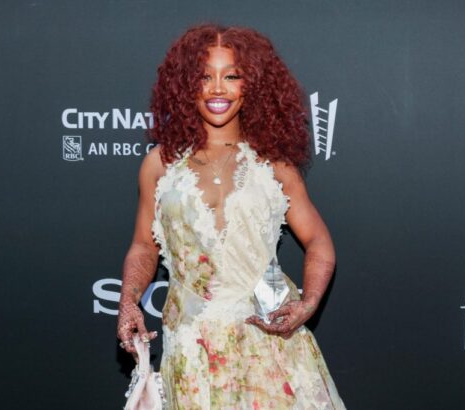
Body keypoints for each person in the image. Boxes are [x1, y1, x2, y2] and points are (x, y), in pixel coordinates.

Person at [117, 23, 346, 409]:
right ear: (186, 85)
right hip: (192, 342)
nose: (218, 89)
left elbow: (318, 241)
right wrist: (128, 301)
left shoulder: (275, 165)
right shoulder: (160, 165)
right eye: (204, 76)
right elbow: (143, 245)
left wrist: (308, 303)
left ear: (251, 85)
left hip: (270, 337)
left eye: (232, 76)